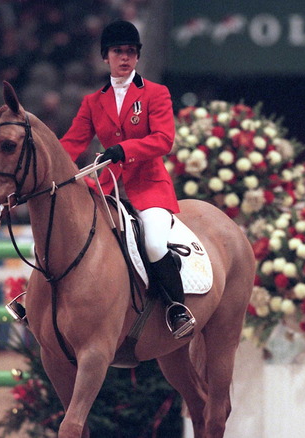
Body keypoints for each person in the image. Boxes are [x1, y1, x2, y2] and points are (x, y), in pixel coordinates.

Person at [59, 20, 195, 339]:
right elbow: (71, 145)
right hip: (105, 188)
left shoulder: (156, 94)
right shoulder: (92, 102)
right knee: (66, 232)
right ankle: (37, 300)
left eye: (131, 52)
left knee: (153, 242)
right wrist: (48, 167)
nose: (125, 57)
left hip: (149, 188)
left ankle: (177, 308)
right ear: (105, 56)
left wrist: (125, 149)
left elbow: (164, 139)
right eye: (118, 51)